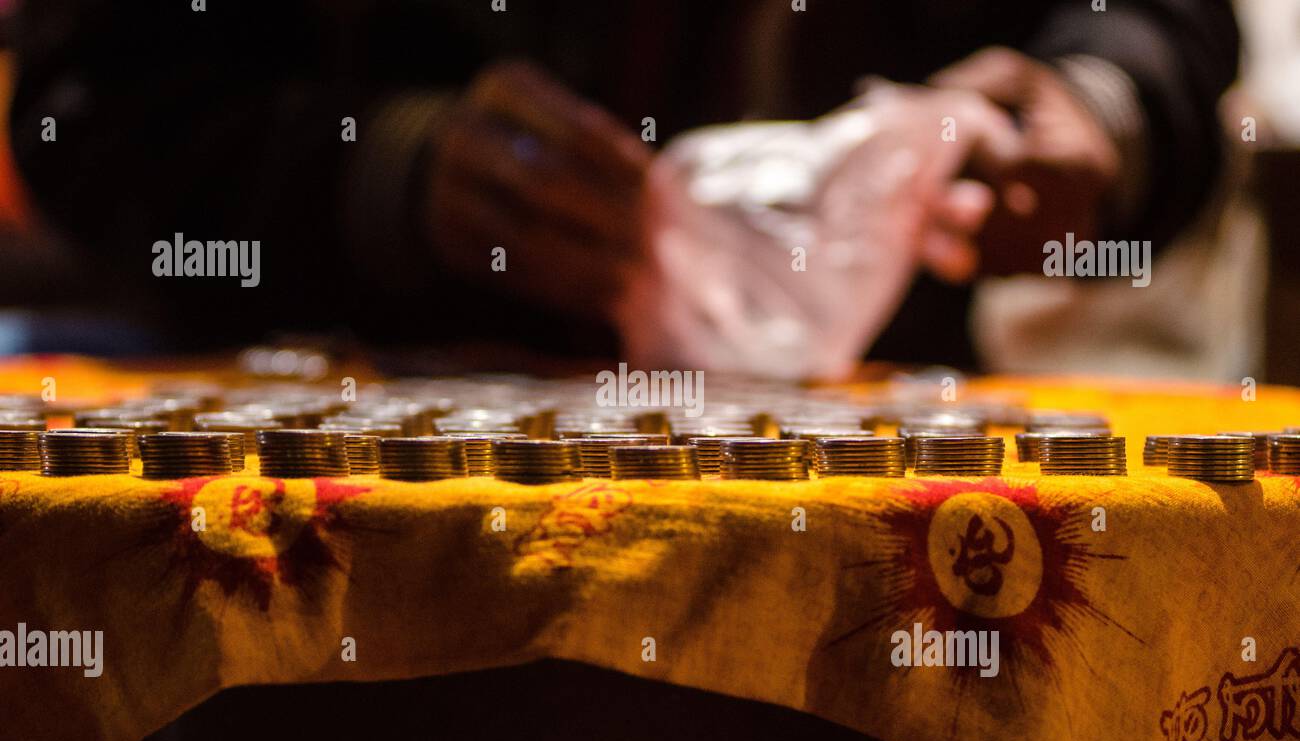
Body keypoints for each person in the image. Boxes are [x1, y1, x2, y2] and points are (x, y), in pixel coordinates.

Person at [9, 0, 1238, 367]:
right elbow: (85, 109)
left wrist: (1102, 107)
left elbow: (1161, 26)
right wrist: (383, 163)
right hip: (343, 581)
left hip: (864, 564)